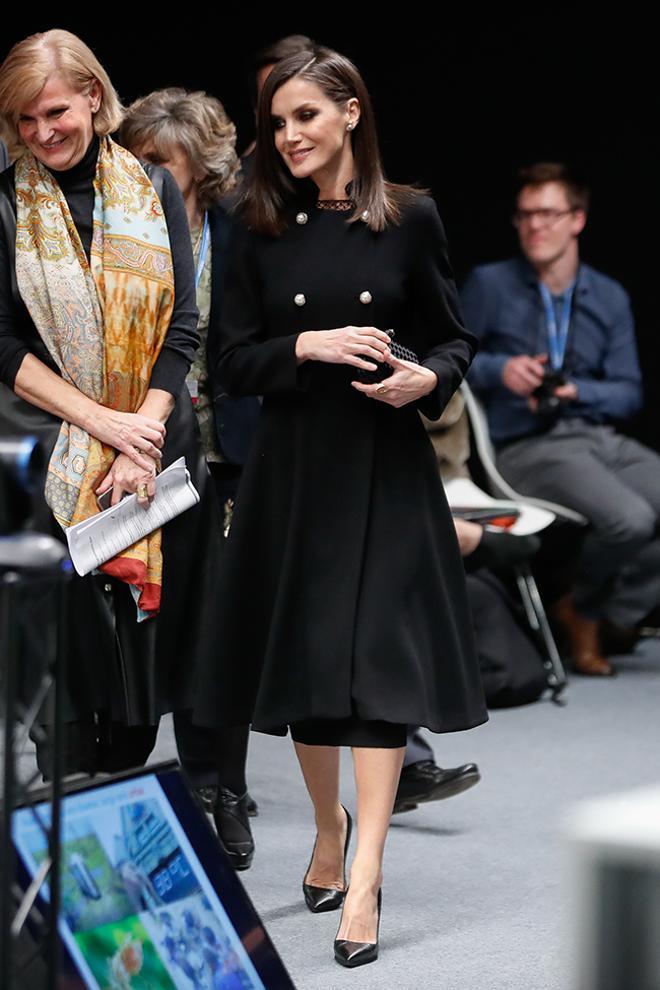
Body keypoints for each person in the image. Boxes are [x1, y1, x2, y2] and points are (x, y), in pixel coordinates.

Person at [197, 46, 487, 967]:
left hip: (386, 467)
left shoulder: (411, 218)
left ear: (351, 114)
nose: (287, 137)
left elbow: (453, 338)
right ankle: (328, 826)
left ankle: (364, 878)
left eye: (306, 117)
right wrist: (309, 346)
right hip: (294, 472)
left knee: (378, 669)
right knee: (313, 673)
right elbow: (229, 362)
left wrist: (422, 380)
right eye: (276, 122)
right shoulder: (254, 225)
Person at [0, 30, 233, 846]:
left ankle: (126, 840)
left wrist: (147, 432)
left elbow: (184, 324)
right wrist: (104, 425)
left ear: (94, 97)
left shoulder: (151, 188)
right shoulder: (6, 202)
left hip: (154, 453)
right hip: (54, 460)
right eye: (24, 120)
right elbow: (4, 347)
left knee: (139, 677)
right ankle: (56, 861)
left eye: (55, 111)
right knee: (62, 682)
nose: (41, 133)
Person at [119, 86, 259, 868]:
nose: (144, 179)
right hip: (144, 457)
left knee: (220, 637)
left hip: (230, 456)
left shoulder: (245, 235)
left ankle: (220, 790)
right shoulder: (115, 233)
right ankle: (136, 789)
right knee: (147, 630)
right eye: (135, 162)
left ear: (199, 172)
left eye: (158, 165)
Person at [462, 162, 660, 677]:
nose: (534, 226)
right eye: (525, 216)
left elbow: (629, 393)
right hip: (527, 444)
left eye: (548, 214)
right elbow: (451, 361)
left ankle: (603, 611)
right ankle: (590, 617)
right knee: (631, 519)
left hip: (593, 434)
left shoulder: (608, 295)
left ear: (577, 220)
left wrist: (577, 391)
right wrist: (502, 369)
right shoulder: (491, 284)